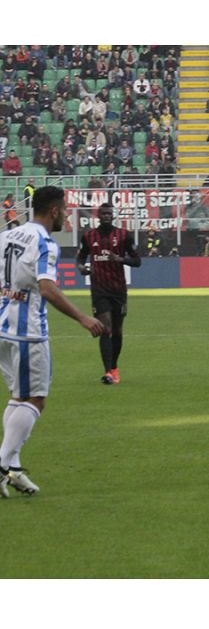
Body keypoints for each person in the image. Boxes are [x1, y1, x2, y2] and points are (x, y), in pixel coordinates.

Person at [0, 186, 104, 496]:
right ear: (54, 210)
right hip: (27, 331)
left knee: (19, 397)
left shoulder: (8, 235)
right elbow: (47, 288)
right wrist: (83, 318)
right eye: (66, 209)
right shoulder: (44, 242)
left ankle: (13, 468)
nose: (67, 216)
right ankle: (2, 463)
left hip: (2, 325)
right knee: (36, 399)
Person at [75, 202, 142, 385]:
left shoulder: (123, 235)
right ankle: (107, 372)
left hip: (118, 289)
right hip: (99, 289)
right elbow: (80, 257)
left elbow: (137, 261)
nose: (106, 216)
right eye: (103, 213)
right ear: (98, 216)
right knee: (106, 328)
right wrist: (81, 268)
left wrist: (120, 259)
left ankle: (114, 367)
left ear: (113, 216)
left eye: (109, 213)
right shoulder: (89, 236)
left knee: (117, 331)